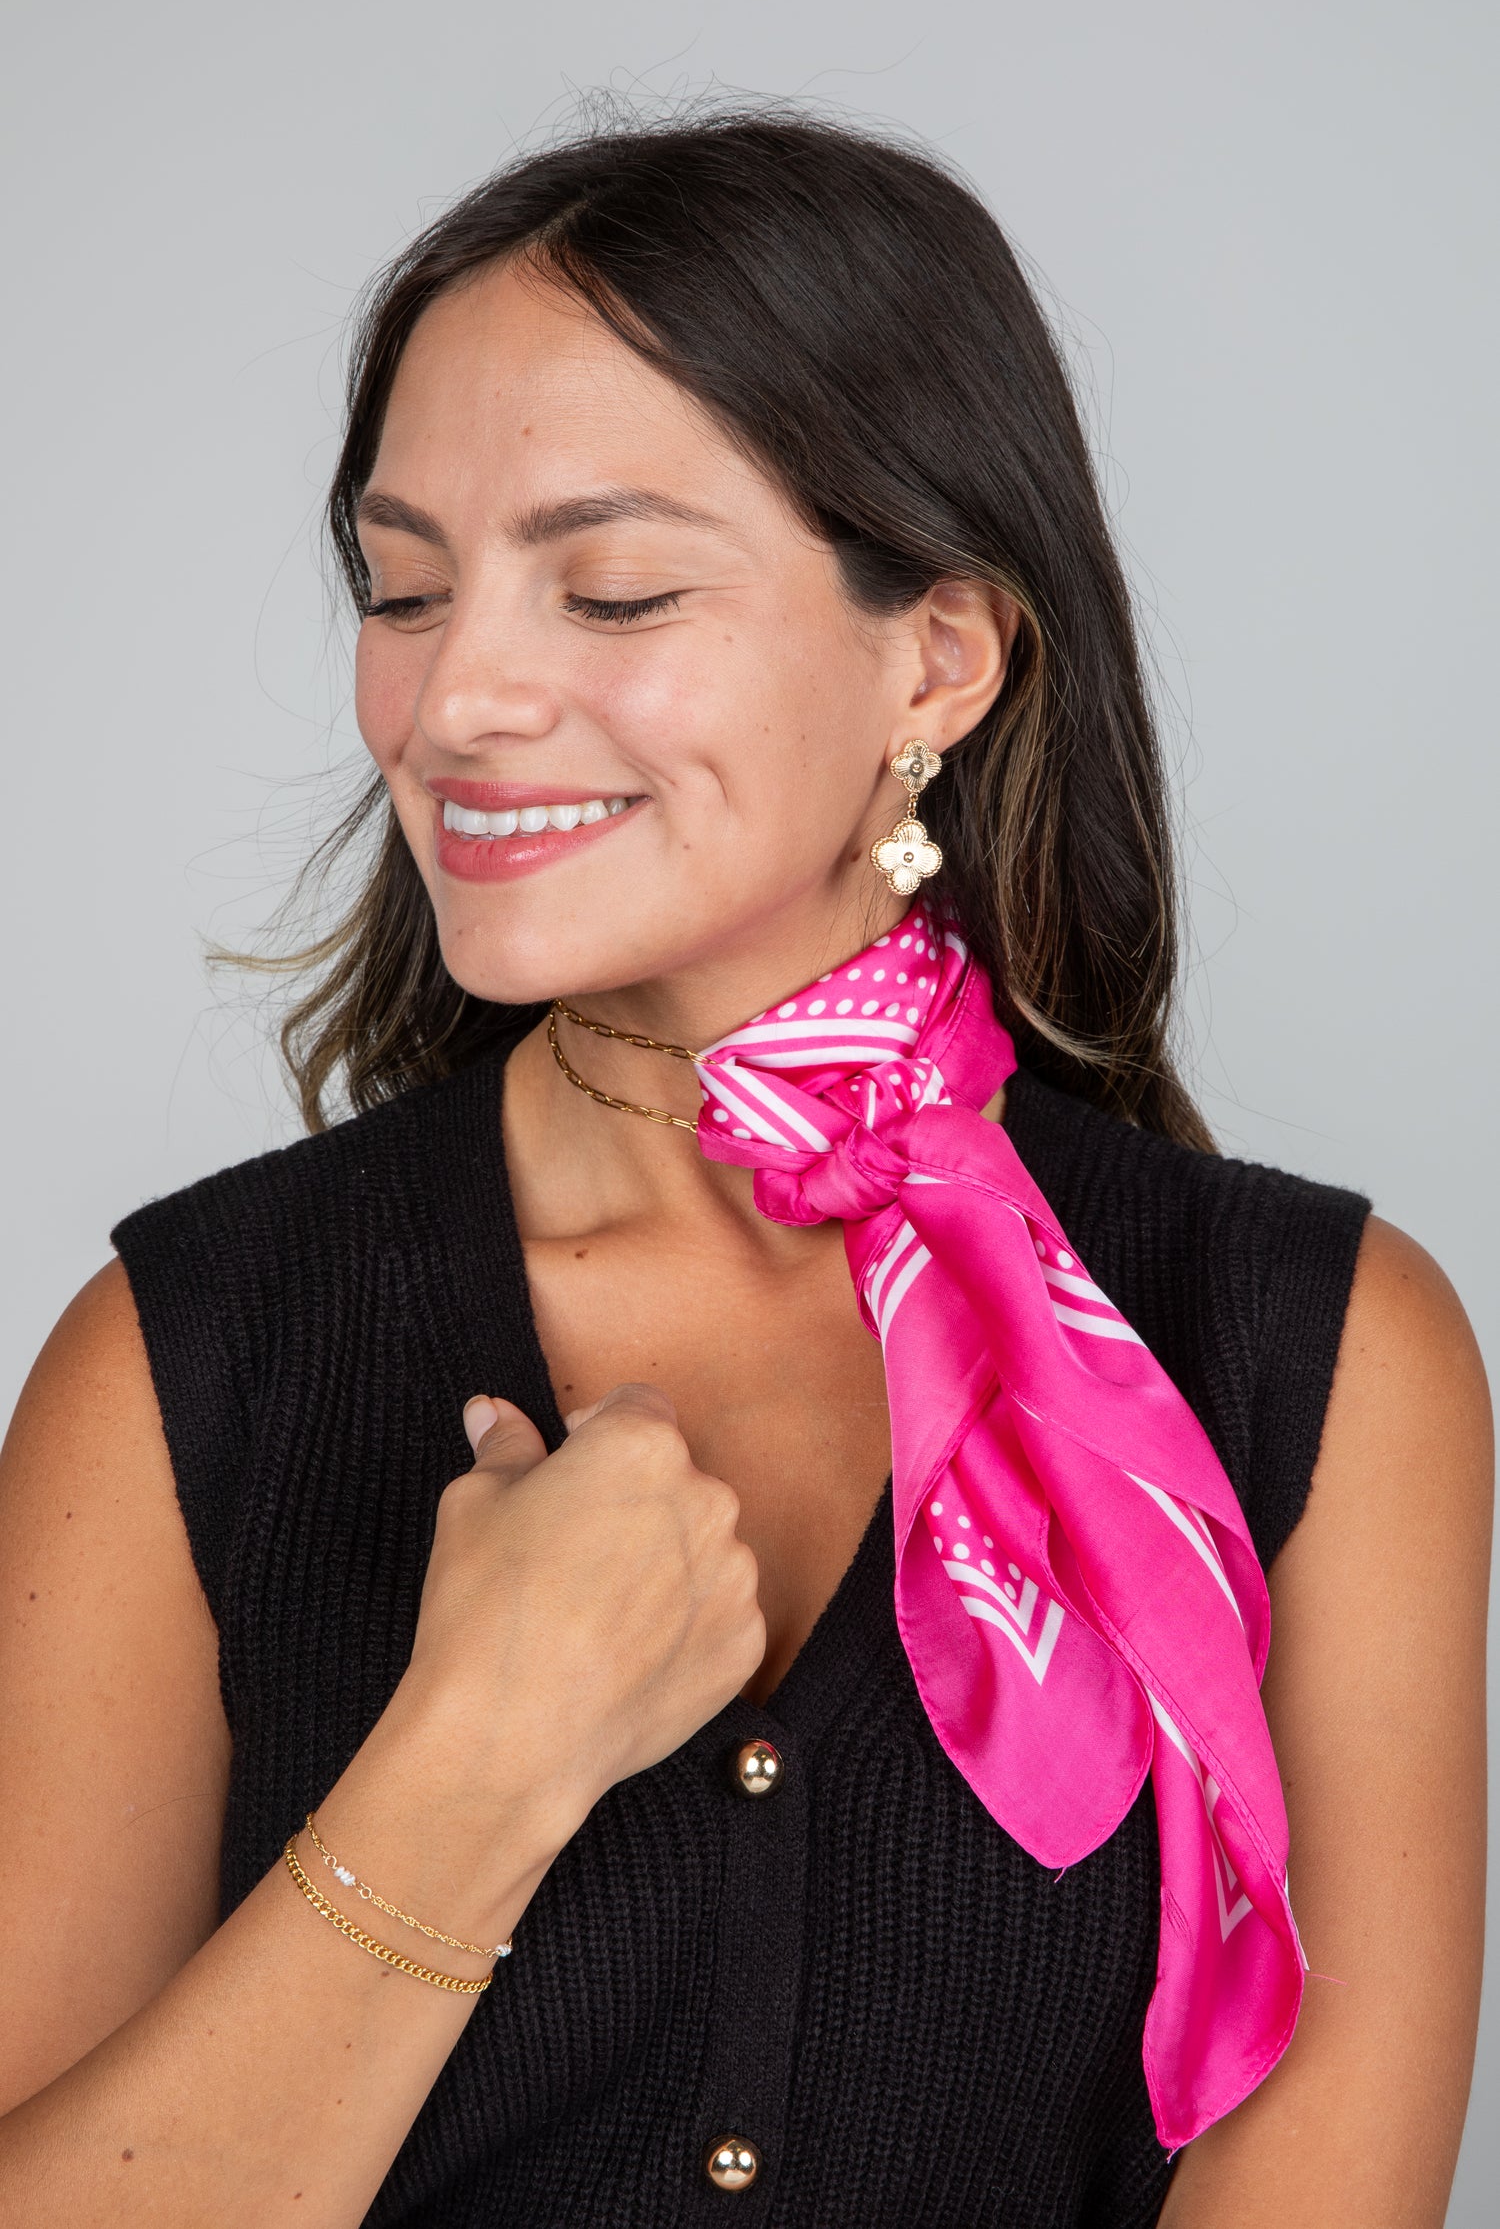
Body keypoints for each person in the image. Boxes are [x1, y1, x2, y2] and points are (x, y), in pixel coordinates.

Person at [0, 108, 1489, 2229]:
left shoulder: (1318, 1363)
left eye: (610, 588)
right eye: (404, 588)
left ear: (936, 659)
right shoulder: (186, 1358)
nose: (453, 700)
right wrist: (473, 1771)